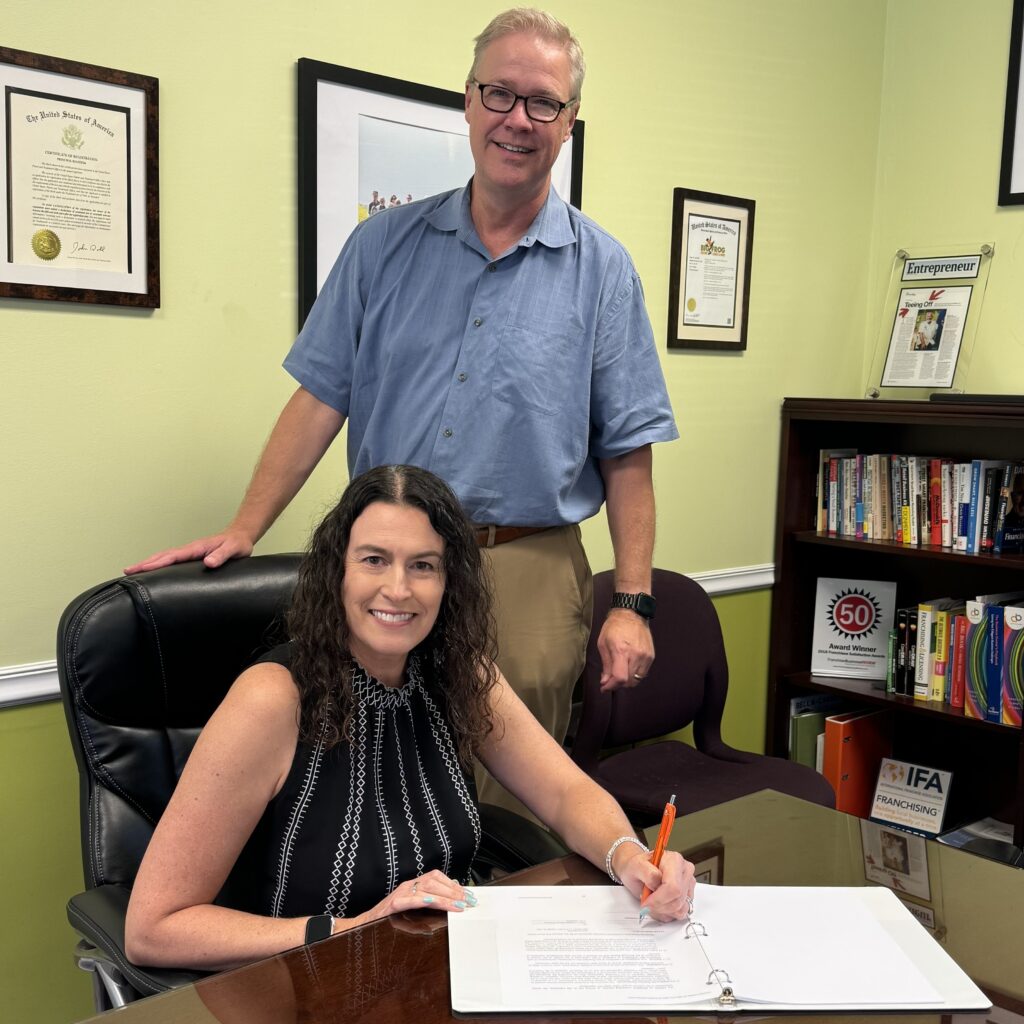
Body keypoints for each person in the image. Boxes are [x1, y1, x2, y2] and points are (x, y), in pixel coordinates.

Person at [125, 8, 678, 816]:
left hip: (523, 570)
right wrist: (246, 526)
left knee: (509, 812)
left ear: (569, 123)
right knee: (371, 795)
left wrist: (631, 603)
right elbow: (319, 397)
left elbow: (629, 452)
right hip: (385, 566)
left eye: (543, 102)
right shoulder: (380, 247)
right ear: (468, 100)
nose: (517, 119)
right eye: (499, 94)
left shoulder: (603, 271)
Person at [124, 466, 695, 971]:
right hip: (308, 987)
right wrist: (357, 929)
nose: (398, 590)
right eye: (374, 560)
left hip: (447, 974)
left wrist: (631, 859)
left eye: (423, 566)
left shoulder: (459, 673)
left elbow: (567, 792)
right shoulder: (273, 699)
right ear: (337, 572)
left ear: (450, 584)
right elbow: (154, 929)